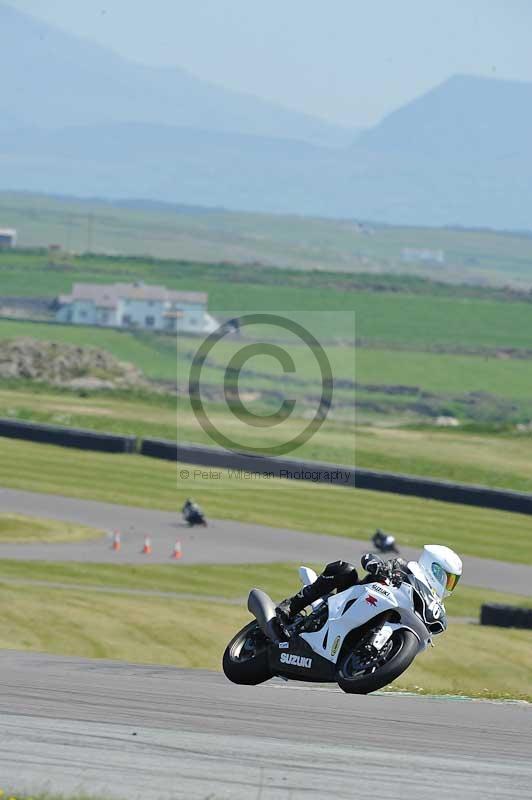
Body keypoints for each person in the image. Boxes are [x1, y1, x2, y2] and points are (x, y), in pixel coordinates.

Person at [276, 545, 462, 625]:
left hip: (379, 618)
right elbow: (371, 560)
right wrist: (377, 565)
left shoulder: (430, 602)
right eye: (449, 578)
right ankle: (291, 606)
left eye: (453, 581)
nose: (449, 585)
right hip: (353, 600)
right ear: (435, 569)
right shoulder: (404, 567)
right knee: (345, 570)